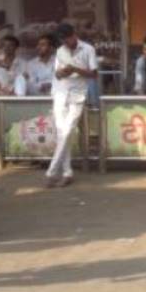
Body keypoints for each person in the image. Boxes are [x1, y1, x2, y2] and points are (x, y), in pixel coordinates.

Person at [46, 22, 98, 188]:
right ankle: (67, 172)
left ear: (74, 34)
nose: (66, 43)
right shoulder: (60, 51)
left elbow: (94, 74)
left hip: (77, 95)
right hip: (60, 92)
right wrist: (62, 72)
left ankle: (52, 171)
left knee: (67, 131)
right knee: (63, 133)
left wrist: (75, 69)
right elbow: (57, 74)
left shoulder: (88, 49)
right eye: (63, 40)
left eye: (67, 39)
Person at [19, 32, 58, 97]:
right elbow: (31, 84)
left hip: (56, 96)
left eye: (42, 45)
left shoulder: (58, 61)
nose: (38, 47)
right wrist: (41, 86)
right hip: (37, 98)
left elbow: (61, 80)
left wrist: (50, 85)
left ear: (51, 48)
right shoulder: (31, 64)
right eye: (38, 45)